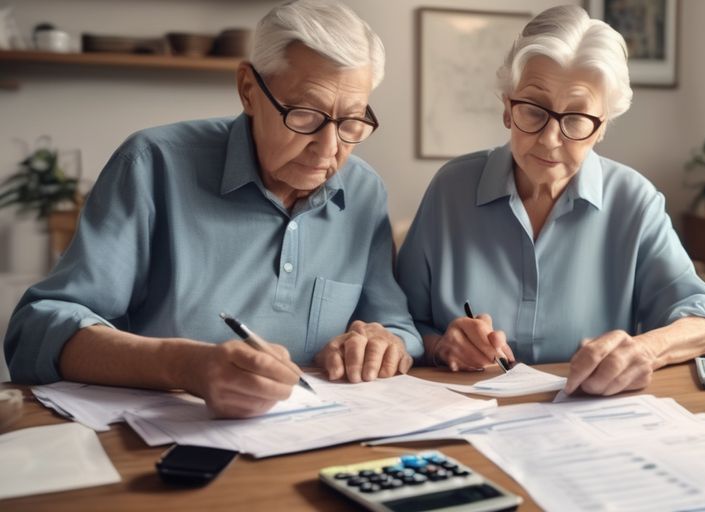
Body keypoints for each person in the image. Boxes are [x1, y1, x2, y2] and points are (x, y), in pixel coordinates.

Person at [4, 0, 421, 418]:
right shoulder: (152, 164)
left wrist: (384, 343)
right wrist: (186, 366)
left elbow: (398, 326)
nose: (329, 149)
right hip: (163, 441)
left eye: (351, 122)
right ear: (248, 90)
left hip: (319, 436)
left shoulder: (363, 190)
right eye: (305, 115)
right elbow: (37, 331)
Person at [396, 5, 705, 397]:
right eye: (534, 110)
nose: (550, 139)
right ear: (507, 108)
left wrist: (643, 349)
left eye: (576, 117)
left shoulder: (633, 201)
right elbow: (400, 321)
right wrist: (442, 347)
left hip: (583, 420)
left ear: (603, 126)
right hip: (464, 415)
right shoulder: (450, 189)